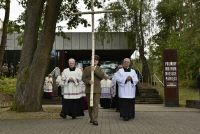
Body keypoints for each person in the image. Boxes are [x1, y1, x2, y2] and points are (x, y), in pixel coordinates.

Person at [82, 55, 107, 126]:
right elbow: (83, 78)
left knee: (96, 105)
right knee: (90, 105)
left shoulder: (99, 69)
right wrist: (88, 81)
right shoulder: (86, 68)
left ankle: (95, 119)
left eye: (96, 60)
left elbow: (102, 76)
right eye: (93, 60)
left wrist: (94, 70)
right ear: (91, 61)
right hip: (88, 89)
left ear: (97, 61)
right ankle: (91, 118)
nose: (94, 61)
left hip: (97, 90)